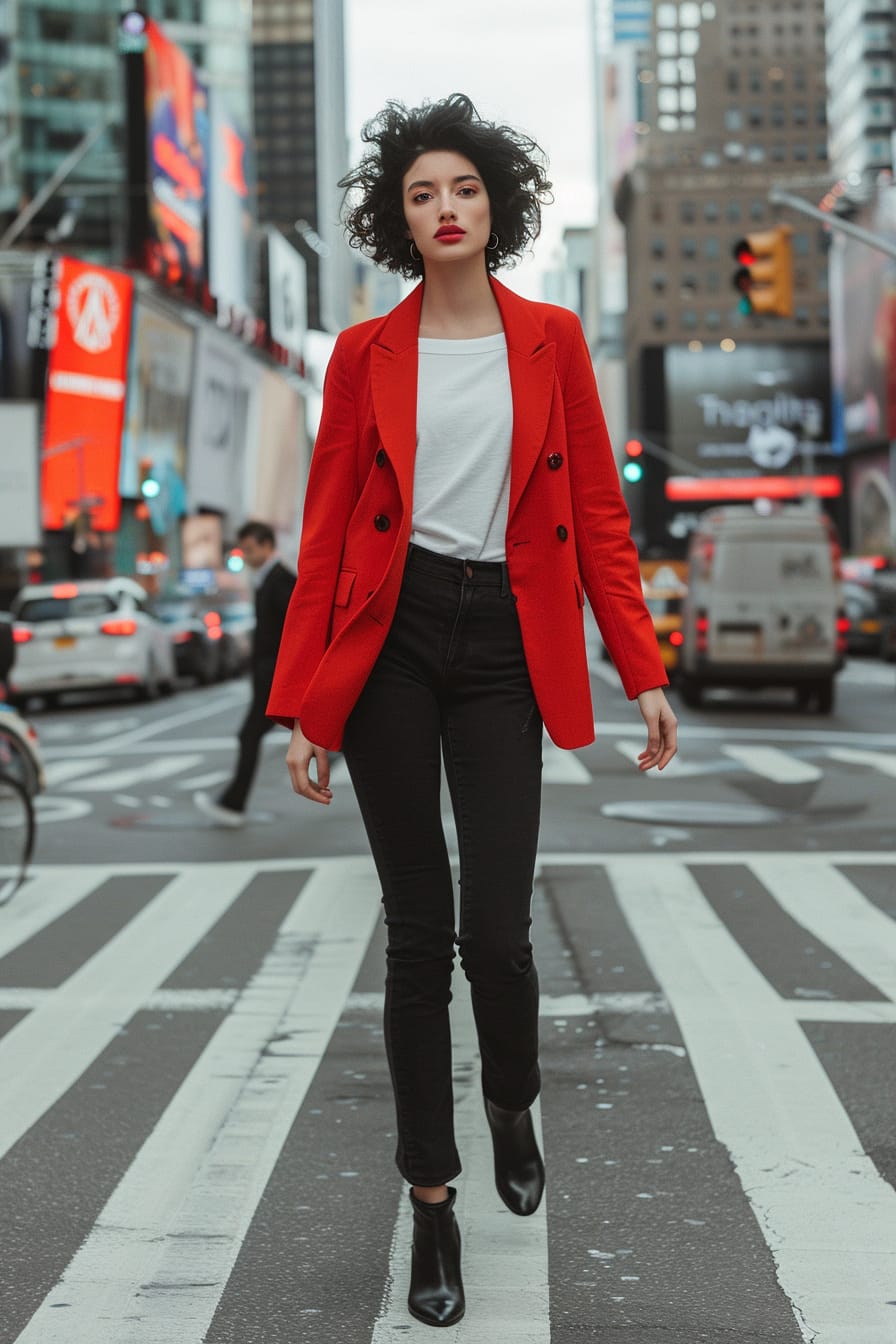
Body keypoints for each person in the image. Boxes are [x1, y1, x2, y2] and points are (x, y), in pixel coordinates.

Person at [267, 94, 677, 1327]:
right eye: (420, 194)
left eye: (464, 190)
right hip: (390, 641)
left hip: (505, 636)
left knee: (495, 929)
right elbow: (330, 529)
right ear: (397, 220)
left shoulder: (551, 340)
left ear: (496, 206)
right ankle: (431, 1210)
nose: (445, 209)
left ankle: (511, 1095)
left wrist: (642, 666)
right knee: (414, 933)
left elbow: (598, 518)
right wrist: (306, 707)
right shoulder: (360, 355)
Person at [195, 521, 294, 827]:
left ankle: (233, 803)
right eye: (244, 550)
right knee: (253, 735)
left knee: (249, 735)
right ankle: (233, 802)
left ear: (267, 546)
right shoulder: (266, 579)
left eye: (251, 549)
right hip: (269, 673)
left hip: (275, 673)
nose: (247, 556)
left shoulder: (281, 580)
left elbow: (296, 630)